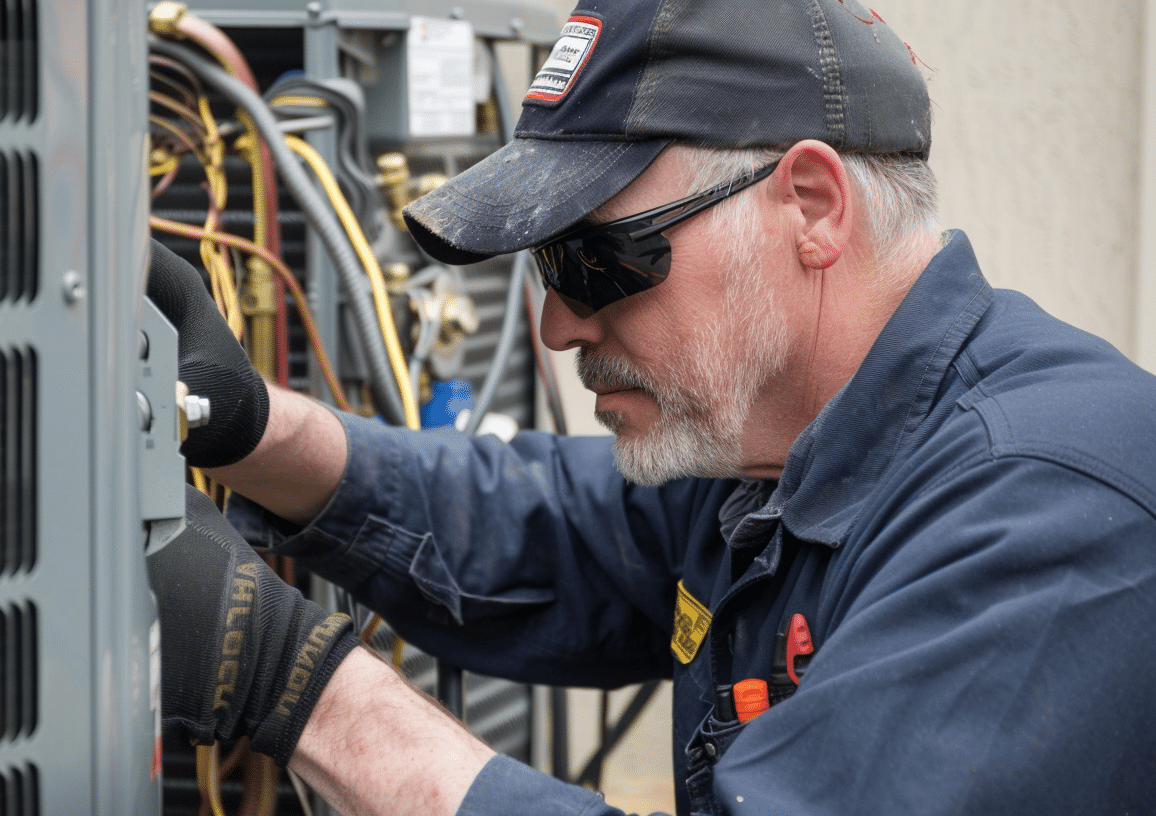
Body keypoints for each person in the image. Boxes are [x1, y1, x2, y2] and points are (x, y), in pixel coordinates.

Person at [151, 0, 1156, 814]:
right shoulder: (770, 452)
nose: (555, 326)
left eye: (595, 258)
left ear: (808, 205)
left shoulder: (1055, 518)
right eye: (548, 264)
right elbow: (535, 525)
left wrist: (306, 691)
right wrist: (247, 426)